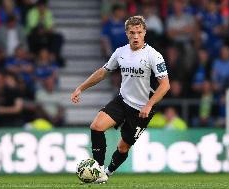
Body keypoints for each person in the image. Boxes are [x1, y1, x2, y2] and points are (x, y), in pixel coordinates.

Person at [71, 16, 170, 183]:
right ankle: (99, 169)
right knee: (96, 126)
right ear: (127, 33)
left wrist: (149, 104)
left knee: (123, 147)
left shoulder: (154, 55)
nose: (136, 36)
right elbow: (103, 72)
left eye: (139, 32)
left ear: (144, 32)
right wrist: (81, 87)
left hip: (142, 109)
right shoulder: (120, 52)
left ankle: (108, 173)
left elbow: (165, 85)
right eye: (132, 32)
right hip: (122, 101)